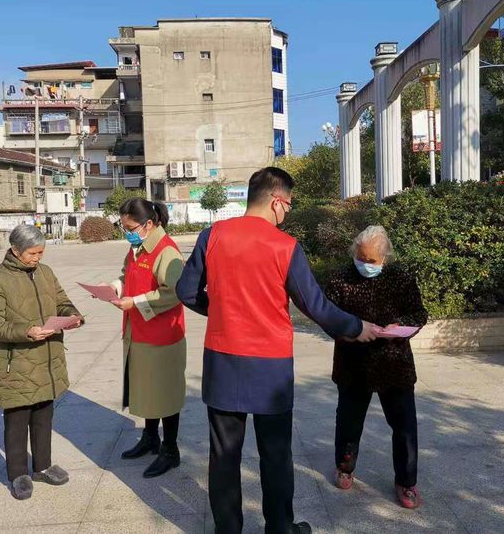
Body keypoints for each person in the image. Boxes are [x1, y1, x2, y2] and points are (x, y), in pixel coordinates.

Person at [176, 167, 377, 534]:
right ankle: (281, 528)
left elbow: (186, 291)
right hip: (270, 367)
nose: (287, 213)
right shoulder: (285, 246)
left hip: (222, 360)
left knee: (223, 455)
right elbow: (314, 305)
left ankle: (227, 530)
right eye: (289, 205)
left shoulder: (211, 236)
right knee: (276, 453)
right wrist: (355, 327)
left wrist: (220, 310)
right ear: (276, 201)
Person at [325, 225, 428, 509]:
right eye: (360, 257)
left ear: (385, 258)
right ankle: (345, 467)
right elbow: (327, 316)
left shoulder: (401, 279)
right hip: (352, 363)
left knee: (405, 426)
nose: (364, 264)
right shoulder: (341, 279)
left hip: (394, 362)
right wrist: (351, 331)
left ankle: (406, 482)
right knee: (348, 422)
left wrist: (400, 326)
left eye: (371, 260)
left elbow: (419, 313)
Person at [0, 224, 83, 500]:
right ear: (15, 250)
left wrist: (72, 316)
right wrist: (26, 331)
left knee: (44, 416)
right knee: (17, 421)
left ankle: (43, 466)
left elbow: (61, 301)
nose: (37, 258)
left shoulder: (45, 272)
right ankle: (18, 474)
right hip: (18, 363)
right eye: (32, 253)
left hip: (47, 358)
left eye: (41, 253)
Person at [106, 197, 186, 478]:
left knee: (166, 393)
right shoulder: (137, 247)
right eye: (124, 227)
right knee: (147, 389)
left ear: (149, 224)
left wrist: (136, 301)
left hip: (163, 336)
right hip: (138, 331)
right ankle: (150, 438)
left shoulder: (167, 251)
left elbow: (174, 292)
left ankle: (170, 449)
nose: (126, 232)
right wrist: (114, 286)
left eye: (130, 228)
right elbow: (127, 274)